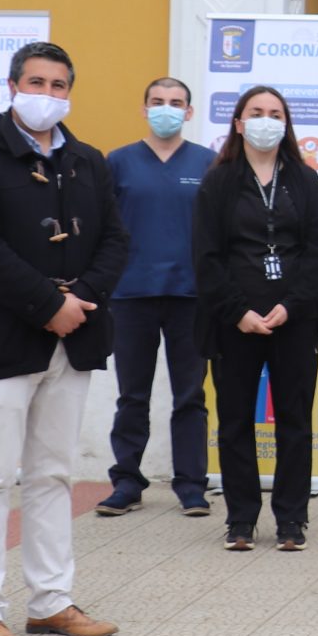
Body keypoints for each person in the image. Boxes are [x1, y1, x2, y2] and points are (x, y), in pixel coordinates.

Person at [0, 41, 129, 636]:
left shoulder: (87, 161)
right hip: (5, 340)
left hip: (74, 339)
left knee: (53, 473)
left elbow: (115, 240)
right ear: (12, 86)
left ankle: (51, 602)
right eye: (36, 82)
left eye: (58, 85)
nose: (47, 95)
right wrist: (48, 304)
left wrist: (81, 298)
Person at [194, 85, 318, 553]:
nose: (265, 120)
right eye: (256, 112)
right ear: (239, 123)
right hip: (234, 320)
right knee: (235, 419)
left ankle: (292, 519)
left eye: (275, 113)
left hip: (295, 318)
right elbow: (205, 255)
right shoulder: (218, 181)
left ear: (286, 124)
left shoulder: (305, 179)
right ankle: (240, 519)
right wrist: (238, 311)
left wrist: (292, 305)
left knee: (294, 419)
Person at [99, 76, 215, 519]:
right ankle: (127, 482)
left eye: (176, 102)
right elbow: (104, 228)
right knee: (132, 395)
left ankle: (192, 486)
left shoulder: (208, 163)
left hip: (191, 295)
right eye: (158, 101)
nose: (167, 108)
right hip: (131, 294)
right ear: (144, 108)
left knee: (190, 397)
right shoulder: (119, 162)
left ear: (189, 111)